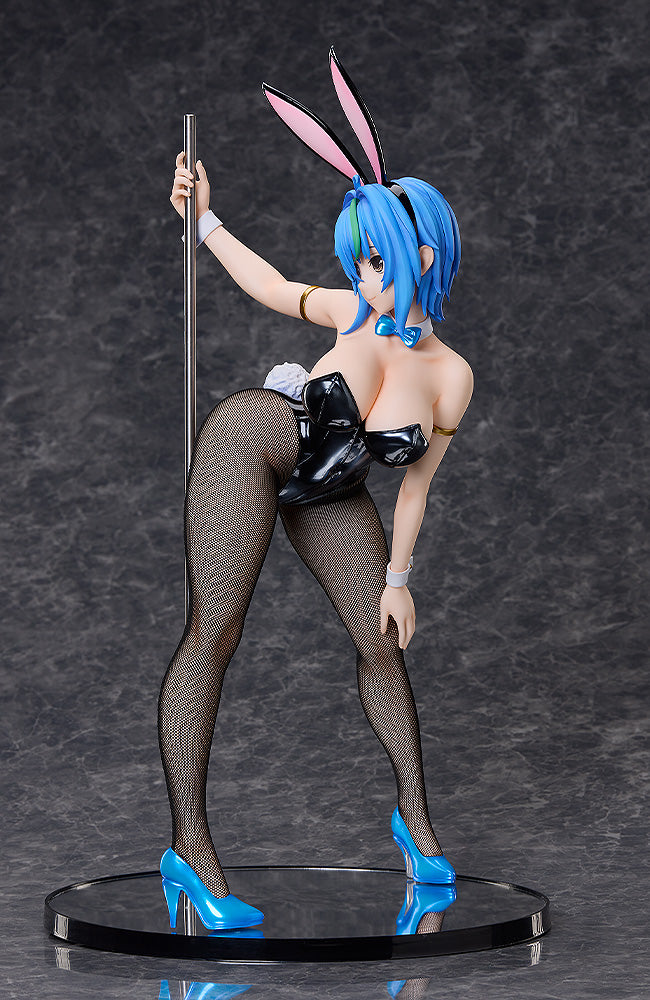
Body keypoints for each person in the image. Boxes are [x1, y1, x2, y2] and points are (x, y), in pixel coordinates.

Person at [158, 51, 473, 932]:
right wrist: (205, 221)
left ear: (424, 253)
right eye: (358, 260)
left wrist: (399, 579)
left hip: (331, 490)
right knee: (215, 632)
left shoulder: (450, 377)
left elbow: (415, 486)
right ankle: (189, 849)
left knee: (380, 641)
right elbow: (268, 285)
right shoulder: (351, 312)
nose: (366, 276)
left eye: (378, 259)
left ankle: (416, 826)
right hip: (257, 441)